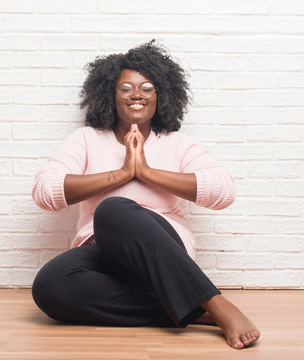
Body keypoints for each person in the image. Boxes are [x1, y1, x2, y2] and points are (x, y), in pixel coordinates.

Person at [30, 40, 260, 349]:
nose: (136, 94)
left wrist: (146, 171)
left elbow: (223, 191)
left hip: (163, 254)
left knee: (114, 210)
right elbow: (45, 192)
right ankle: (196, 311)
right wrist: (122, 173)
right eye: (125, 88)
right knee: (50, 285)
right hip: (104, 253)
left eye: (147, 87)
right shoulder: (86, 139)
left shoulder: (177, 143)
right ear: (110, 96)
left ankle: (215, 303)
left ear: (160, 96)